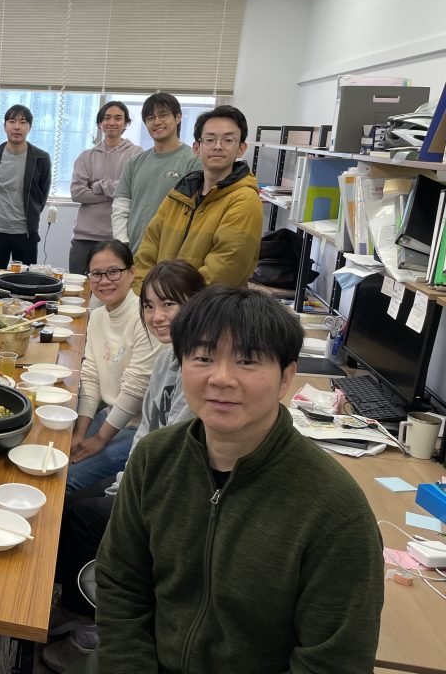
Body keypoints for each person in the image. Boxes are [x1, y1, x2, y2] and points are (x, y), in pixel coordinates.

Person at [97, 286, 384, 673]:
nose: (221, 378)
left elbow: (333, 662)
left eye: (247, 361)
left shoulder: (335, 510)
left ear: (286, 377)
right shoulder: (154, 458)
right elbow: (120, 585)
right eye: (203, 357)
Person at [41, 260, 205, 673]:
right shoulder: (169, 358)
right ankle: (74, 605)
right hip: (146, 480)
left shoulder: (198, 366)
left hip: (175, 500)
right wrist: (123, 483)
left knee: (82, 516)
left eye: (169, 304)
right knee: (70, 506)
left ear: (198, 303)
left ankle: (89, 629)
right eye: (150, 306)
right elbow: (149, 432)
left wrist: (128, 495)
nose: (157, 316)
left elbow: (174, 449)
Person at [134, 105, 262, 291]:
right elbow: (148, 250)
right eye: (209, 139)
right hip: (160, 303)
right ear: (196, 147)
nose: (218, 146)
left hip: (206, 307)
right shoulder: (180, 194)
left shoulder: (245, 200)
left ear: (241, 148)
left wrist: (172, 301)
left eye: (228, 140)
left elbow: (225, 269)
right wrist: (145, 295)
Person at [67, 240, 159, 493]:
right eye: (96, 274)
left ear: (132, 273)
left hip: (141, 429)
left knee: (66, 478)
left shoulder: (146, 319)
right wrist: (80, 431)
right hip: (110, 415)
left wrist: (99, 439)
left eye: (113, 272)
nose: (104, 281)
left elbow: (135, 390)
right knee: (57, 453)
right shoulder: (97, 316)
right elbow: (91, 376)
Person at [111, 93, 200, 252]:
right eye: (151, 118)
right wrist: (122, 243)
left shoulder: (194, 161)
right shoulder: (135, 162)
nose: (157, 122)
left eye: (163, 115)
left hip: (173, 255)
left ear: (178, 117)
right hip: (134, 251)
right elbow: (121, 208)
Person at [69, 101, 143, 274]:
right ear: (99, 124)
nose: (112, 122)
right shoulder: (86, 156)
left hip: (119, 237)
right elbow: (77, 193)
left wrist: (97, 186)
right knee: (78, 285)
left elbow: (134, 188)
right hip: (84, 236)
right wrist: (116, 193)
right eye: (107, 118)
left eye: (118, 118)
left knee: (114, 286)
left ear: (126, 123)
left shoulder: (136, 154)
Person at [0, 103, 51, 275]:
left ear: (29, 127)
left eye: (23, 122)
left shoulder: (41, 158)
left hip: (25, 233)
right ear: (4, 126)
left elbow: (42, 196)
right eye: (12, 121)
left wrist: (32, 214)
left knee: (26, 282)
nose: (17, 127)